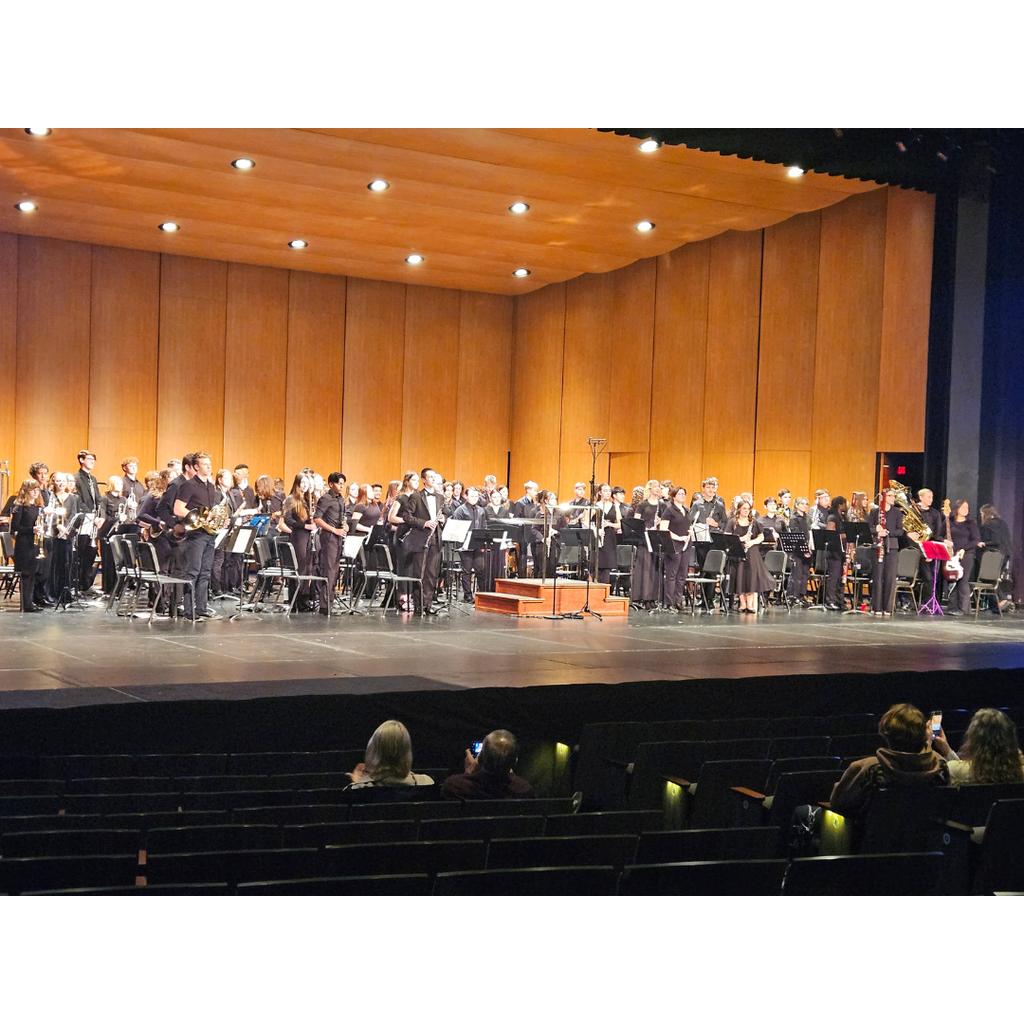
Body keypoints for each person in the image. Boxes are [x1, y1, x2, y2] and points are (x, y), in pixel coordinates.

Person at [828, 703, 949, 826]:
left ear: (886, 733)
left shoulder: (867, 768)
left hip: (871, 842)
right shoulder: (940, 766)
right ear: (924, 734)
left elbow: (837, 803)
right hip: (925, 842)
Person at [173, 451, 221, 619]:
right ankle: (188, 610)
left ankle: (201, 607)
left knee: (205, 571)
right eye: (205, 464)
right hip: (196, 535)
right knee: (192, 571)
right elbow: (178, 508)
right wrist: (198, 518)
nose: (209, 466)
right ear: (195, 467)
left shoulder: (210, 486)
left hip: (209, 534)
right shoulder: (189, 485)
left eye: (209, 463)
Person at [933, 708, 1024, 786]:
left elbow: (962, 770)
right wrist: (947, 750)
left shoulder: (955, 770)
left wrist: (929, 743)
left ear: (973, 739)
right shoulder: (1020, 772)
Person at [401, 468, 446, 613]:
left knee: (432, 574)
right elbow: (407, 517)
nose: (433, 479)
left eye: (434, 477)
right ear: (424, 480)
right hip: (421, 539)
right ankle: (419, 605)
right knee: (419, 573)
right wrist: (424, 523)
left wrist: (443, 518)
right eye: (430, 477)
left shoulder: (440, 497)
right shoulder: (416, 497)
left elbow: (445, 512)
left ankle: (427, 605)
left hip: (435, 538)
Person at [442, 729, 533, 800]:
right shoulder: (524, 791)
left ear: (480, 758)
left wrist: (469, 773)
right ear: (515, 762)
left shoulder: (453, 786)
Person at [347, 720, 433, 790]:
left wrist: (359, 783)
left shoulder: (356, 790)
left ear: (373, 751)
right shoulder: (427, 783)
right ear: (407, 753)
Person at [725, 498, 772, 613]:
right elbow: (727, 536)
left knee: (751, 577)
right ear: (739, 509)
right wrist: (740, 539)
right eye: (744, 508)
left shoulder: (754, 522)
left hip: (752, 552)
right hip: (738, 551)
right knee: (740, 576)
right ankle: (742, 604)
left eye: (748, 509)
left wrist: (751, 542)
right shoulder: (732, 522)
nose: (746, 511)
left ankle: (750, 604)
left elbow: (761, 537)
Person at [313, 472, 349, 615]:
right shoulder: (326, 498)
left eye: (342, 484)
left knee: (335, 570)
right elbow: (317, 519)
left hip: (338, 537)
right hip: (329, 538)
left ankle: (331, 602)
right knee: (329, 570)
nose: (341, 486)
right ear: (331, 484)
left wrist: (344, 527)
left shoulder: (340, 499)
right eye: (339, 483)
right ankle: (325, 605)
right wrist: (334, 529)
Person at [941, 499, 983, 615]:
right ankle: (952, 607)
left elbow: (975, 540)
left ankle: (963, 609)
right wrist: (944, 540)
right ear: (957, 509)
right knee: (952, 580)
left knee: (963, 580)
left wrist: (964, 549)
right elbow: (938, 535)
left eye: (967, 508)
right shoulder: (948, 522)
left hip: (966, 554)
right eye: (964, 507)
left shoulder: (971, 524)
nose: (966, 510)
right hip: (951, 554)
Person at [10, 479, 45, 612]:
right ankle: (26, 604)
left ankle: (29, 602)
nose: (36, 492)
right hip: (24, 545)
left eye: (37, 489)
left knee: (32, 574)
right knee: (26, 574)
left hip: (34, 544)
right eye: (32, 489)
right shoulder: (20, 507)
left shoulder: (38, 507)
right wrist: (32, 530)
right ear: (26, 491)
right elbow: (15, 527)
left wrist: (41, 529)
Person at [73, 449, 103, 594]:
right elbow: (79, 500)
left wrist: (101, 515)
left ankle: (86, 584)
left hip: (95, 521)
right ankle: (78, 584)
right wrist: (91, 515)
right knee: (81, 552)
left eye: (93, 459)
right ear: (81, 460)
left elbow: (99, 499)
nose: (92, 461)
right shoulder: (76, 478)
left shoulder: (93, 479)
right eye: (90, 459)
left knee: (91, 552)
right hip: (85, 520)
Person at [452, 485, 488, 601]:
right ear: (466, 496)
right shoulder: (460, 510)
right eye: (472, 496)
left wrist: (483, 543)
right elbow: (456, 527)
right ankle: (468, 595)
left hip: (478, 544)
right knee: (466, 570)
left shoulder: (481, 510)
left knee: (481, 569)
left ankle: (482, 594)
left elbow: (484, 526)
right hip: (465, 545)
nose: (474, 498)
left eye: (476, 496)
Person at [659, 485, 692, 609]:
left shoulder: (686, 509)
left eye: (684, 494)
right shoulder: (669, 511)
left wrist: (690, 532)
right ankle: (669, 602)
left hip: (686, 544)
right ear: (673, 497)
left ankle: (678, 601)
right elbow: (663, 529)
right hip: (674, 545)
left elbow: (687, 525)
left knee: (682, 574)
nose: (683, 496)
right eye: (680, 494)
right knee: (671, 575)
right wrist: (678, 538)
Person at [785, 496, 813, 605]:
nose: (805, 506)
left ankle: (802, 595)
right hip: (798, 549)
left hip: (808, 548)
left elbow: (809, 532)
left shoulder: (807, 518)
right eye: (802, 504)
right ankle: (792, 596)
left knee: (805, 573)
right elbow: (795, 534)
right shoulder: (794, 519)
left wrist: (809, 547)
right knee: (796, 574)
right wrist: (804, 548)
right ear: (797, 505)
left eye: (806, 504)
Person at [823, 495, 849, 611]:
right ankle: (830, 601)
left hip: (842, 551)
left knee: (840, 577)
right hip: (833, 552)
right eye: (844, 503)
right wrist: (847, 535)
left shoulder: (843, 517)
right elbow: (831, 534)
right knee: (833, 577)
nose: (846, 506)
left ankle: (839, 599)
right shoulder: (832, 517)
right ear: (840, 505)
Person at [595, 483, 620, 585]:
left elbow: (620, 524)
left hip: (609, 537)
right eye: (605, 490)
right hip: (597, 536)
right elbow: (586, 522)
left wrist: (610, 524)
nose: (608, 493)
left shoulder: (615, 507)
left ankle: (604, 593)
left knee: (607, 567)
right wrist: (596, 530)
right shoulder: (594, 507)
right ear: (600, 493)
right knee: (595, 567)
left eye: (609, 491)